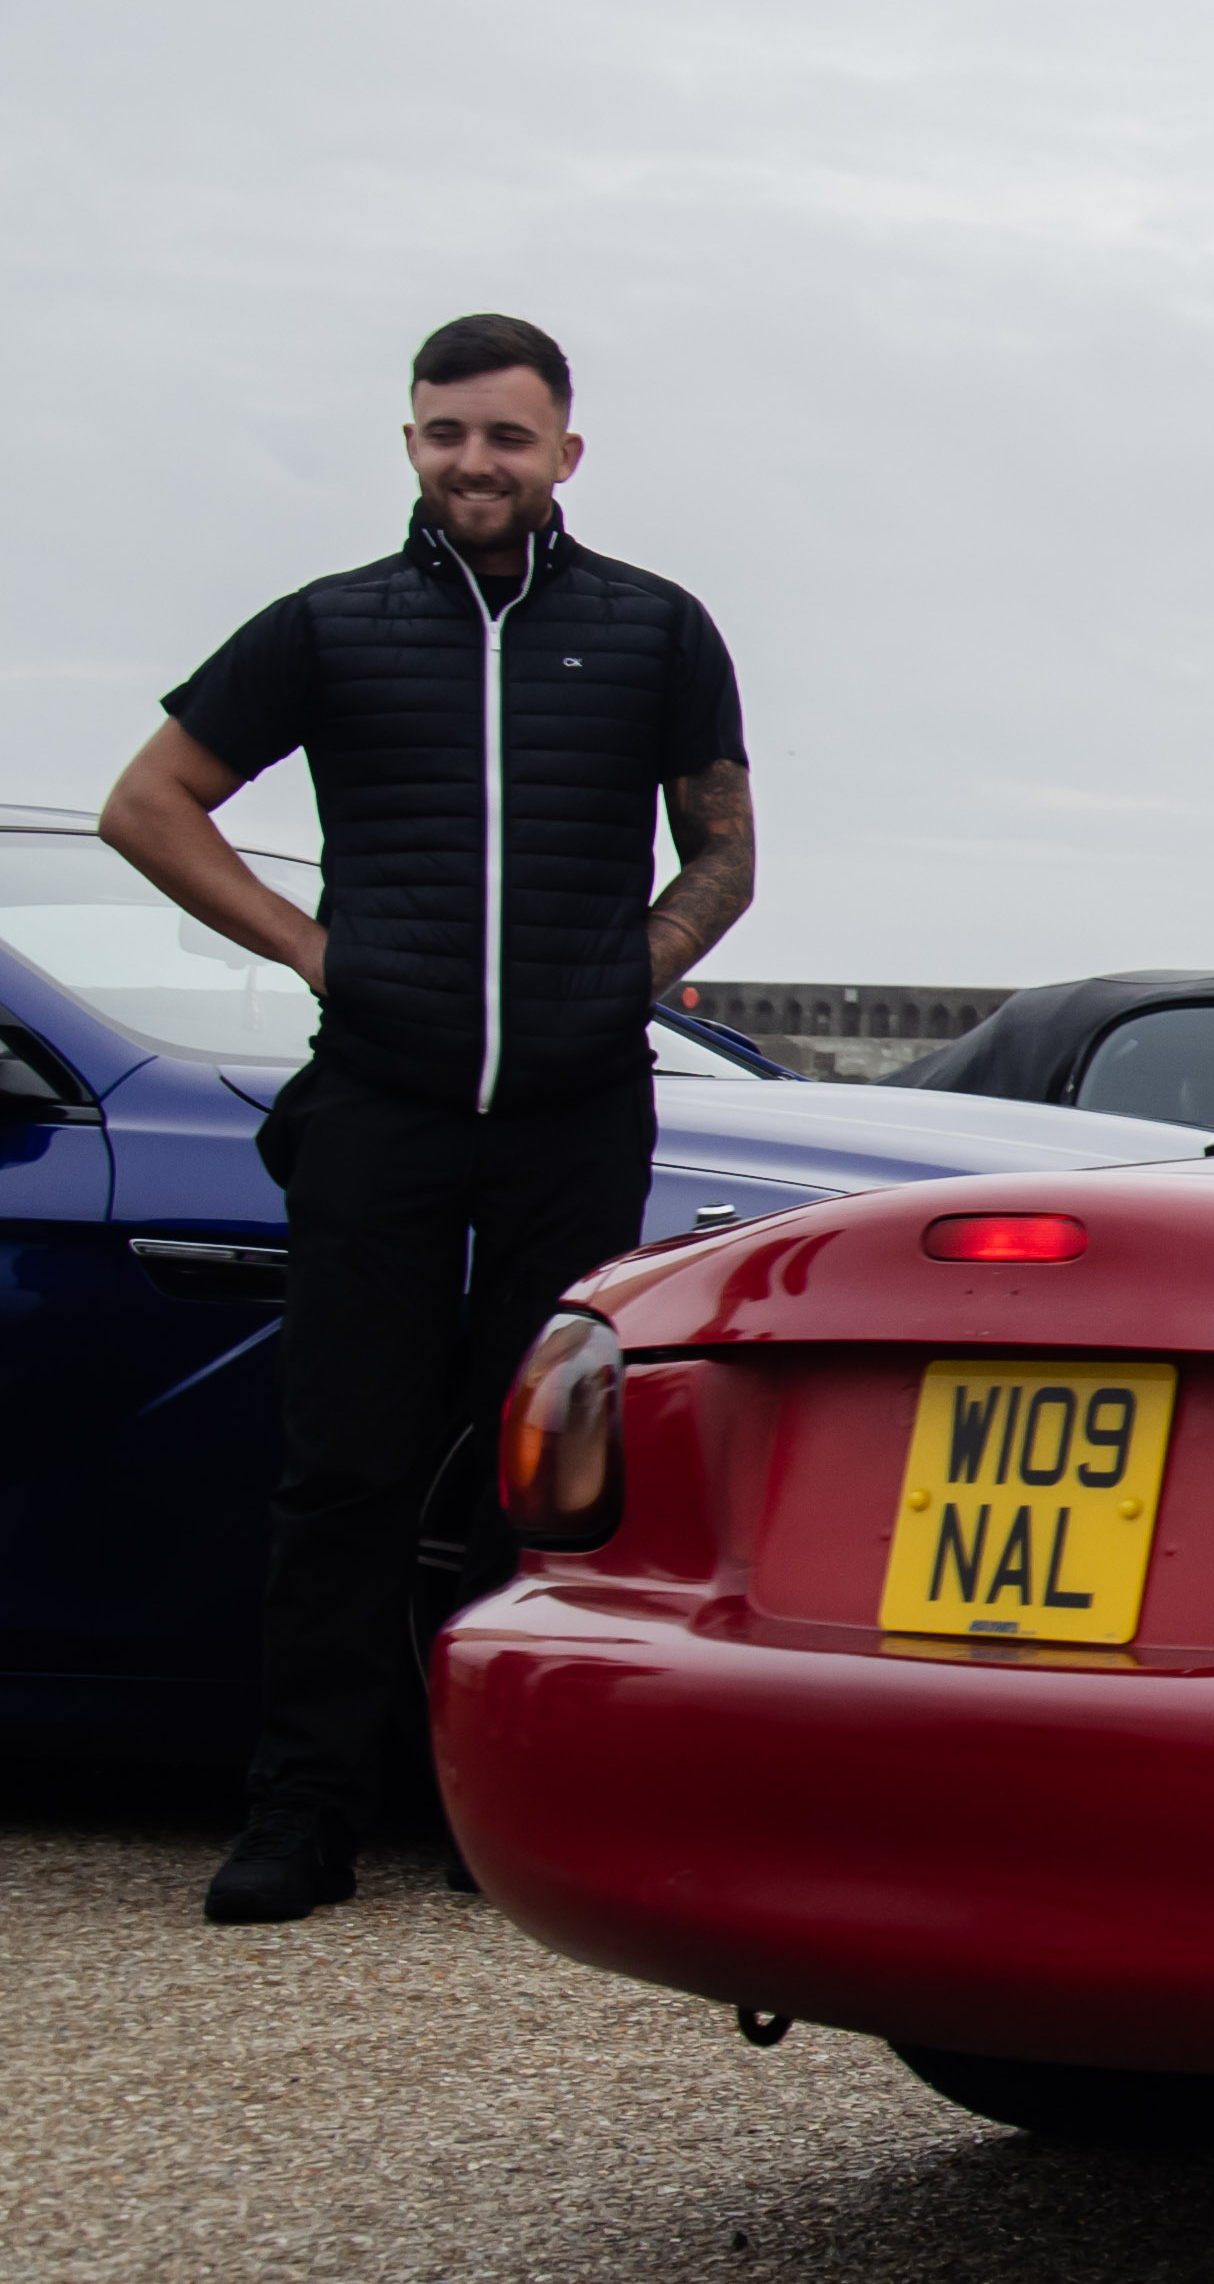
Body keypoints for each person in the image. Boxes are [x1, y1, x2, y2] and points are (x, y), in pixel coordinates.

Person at [101, 316, 757, 1924]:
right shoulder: (329, 629)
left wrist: (625, 974)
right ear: (411, 443)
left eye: (506, 438)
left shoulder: (656, 629)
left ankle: (497, 1815)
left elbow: (725, 852)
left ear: (564, 455)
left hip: (573, 1111)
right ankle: (304, 1813)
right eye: (446, 433)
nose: (475, 462)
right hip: (382, 1104)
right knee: (344, 1465)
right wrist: (313, 949)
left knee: (538, 1466)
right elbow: (148, 803)